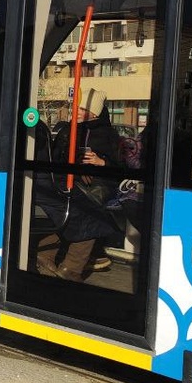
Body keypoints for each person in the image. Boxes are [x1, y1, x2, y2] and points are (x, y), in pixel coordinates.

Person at [32, 89, 125, 281]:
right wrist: (74, 165)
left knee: (84, 214)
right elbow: (55, 158)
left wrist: (102, 162)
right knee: (79, 214)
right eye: (77, 108)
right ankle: (70, 266)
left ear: (94, 113)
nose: (78, 112)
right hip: (70, 182)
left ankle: (54, 258)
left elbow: (121, 166)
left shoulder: (109, 135)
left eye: (83, 109)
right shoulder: (69, 130)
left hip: (99, 185)